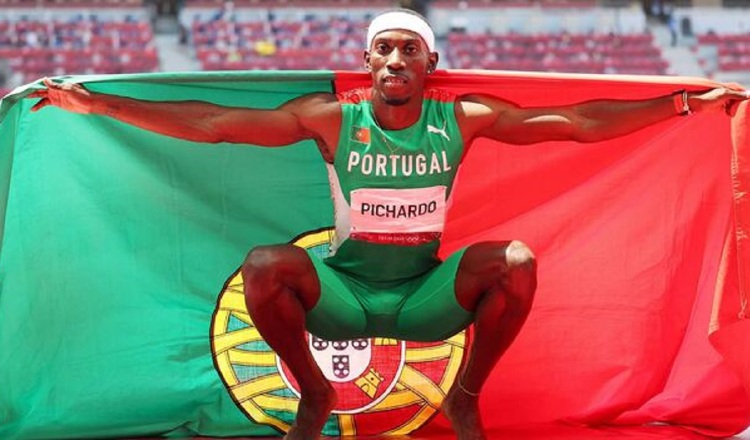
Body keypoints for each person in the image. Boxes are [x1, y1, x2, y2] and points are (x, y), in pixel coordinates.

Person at [28, 9, 749, 440]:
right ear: (365, 62)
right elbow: (217, 125)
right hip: (342, 299)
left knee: (518, 260)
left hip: (425, 300)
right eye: (385, 49)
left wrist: (682, 104)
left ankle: (466, 393)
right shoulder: (332, 119)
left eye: (410, 49)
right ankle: (314, 388)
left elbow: (576, 124)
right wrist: (100, 107)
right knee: (264, 264)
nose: (396, 59)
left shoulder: (460, 118)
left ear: (431, 63)